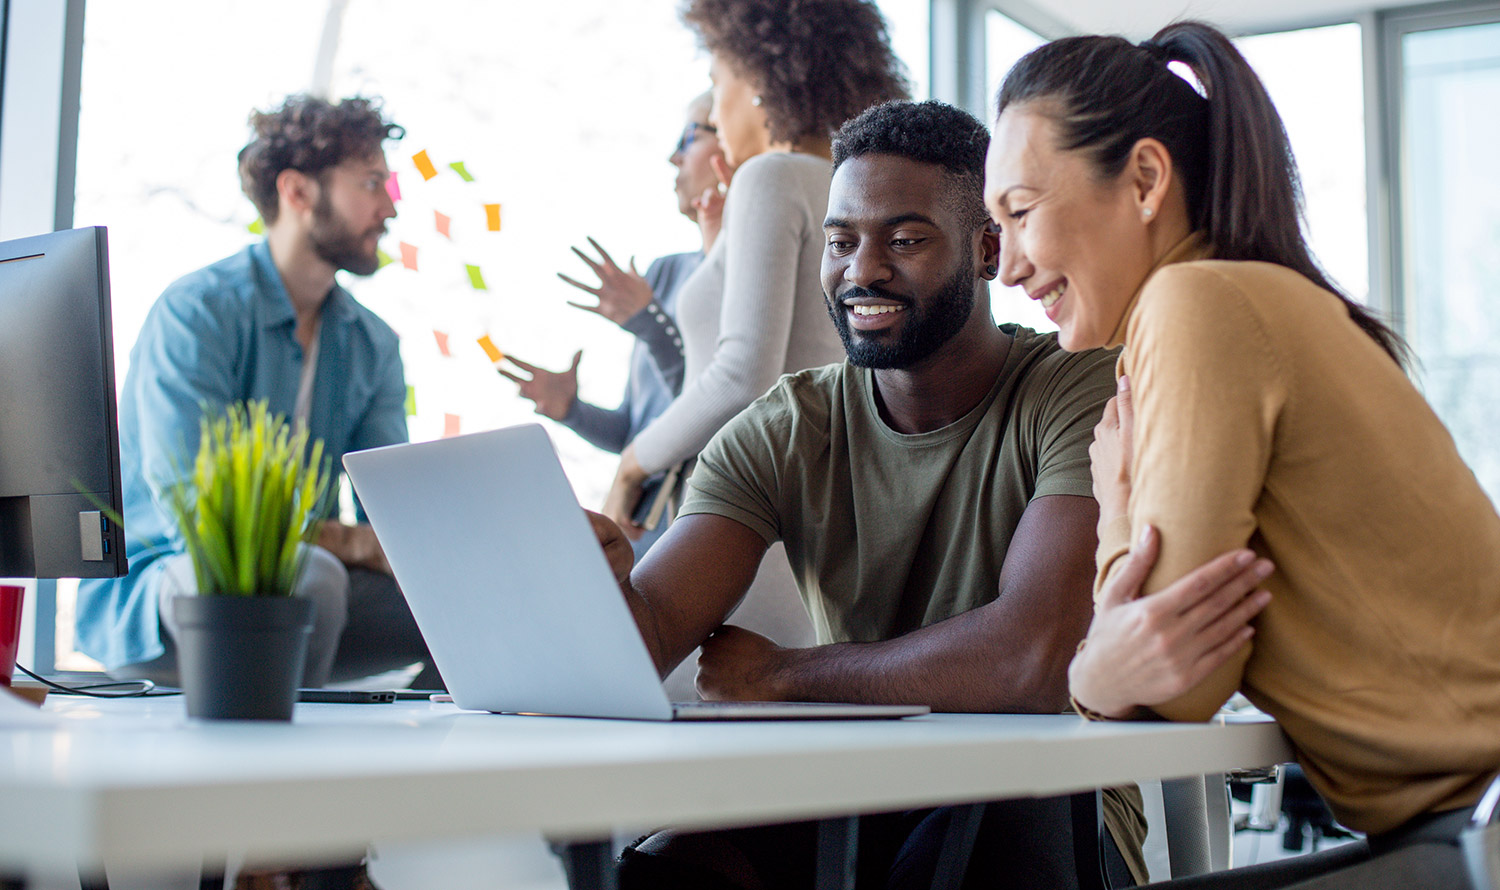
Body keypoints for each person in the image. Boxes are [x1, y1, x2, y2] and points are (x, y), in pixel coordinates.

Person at [593, 98, 1161, 890]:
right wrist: (598, 582)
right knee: (674, 870)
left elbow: (1031, 663)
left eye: (905, 239)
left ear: (988, 249)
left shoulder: (1079, 389)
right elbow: (646, 633)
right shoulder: (789, 424)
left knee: (971, 834)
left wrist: (788, 676)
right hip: (853, 795)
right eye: (841, 241)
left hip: (1042, 801)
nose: (862, 270)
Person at [985, 21, 1500, 887]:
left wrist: (1114, 521)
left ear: (1145, 179)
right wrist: (1107, 666)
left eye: (1021, 213)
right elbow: (1161, 655)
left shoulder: (1194, 304)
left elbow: (1177, 684)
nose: (1005, 267)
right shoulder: (1245, 299)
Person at [76, 95, 438, 691]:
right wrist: (350, 540)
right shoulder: (197, 312)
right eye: (373, 182)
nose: (389, 206)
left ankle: (399, 757)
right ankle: (282, 758)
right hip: (171, 585)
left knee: (476, 597)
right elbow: (202, 512)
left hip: (312, 592)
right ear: (297, 192)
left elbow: (394, 519)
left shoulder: (373, 343)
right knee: (311, 577)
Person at [600, 0, 909, 539]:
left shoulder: (771, 177)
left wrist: (632, 463)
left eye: (717, 81)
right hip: (809, 508)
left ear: (757, 74)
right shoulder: (845, 186)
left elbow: (742, 376)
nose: (716, 116)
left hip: (741, 516)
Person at [501, 92, 724, 554]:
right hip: (640, 523)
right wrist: (574, 412)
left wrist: (649, 323)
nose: (673, 156)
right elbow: (635, 431)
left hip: (696, 521)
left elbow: (717, 401)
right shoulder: (663, 272)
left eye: (690, 136)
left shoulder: (748, 279)